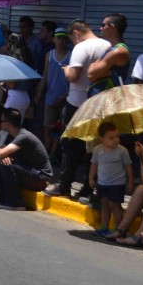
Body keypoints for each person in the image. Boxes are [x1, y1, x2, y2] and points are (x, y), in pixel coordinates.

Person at [44, 20, 111, 202]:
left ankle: (64, 186)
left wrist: (66, 70)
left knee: (70, 146)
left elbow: (73, 77)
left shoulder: (81, 48)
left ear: (75, 33)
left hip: (77, 103)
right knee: (93, 147)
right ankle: (87, 189)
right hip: (98, 103)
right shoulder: (106, 45)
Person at [0, 107, 53, 210]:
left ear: (7, 124)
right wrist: (3, 154)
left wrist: (2, 154)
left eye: (2, 120)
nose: (0, 122)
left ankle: (15, 203)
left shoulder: (23, 136)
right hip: (28, 171)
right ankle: (3, 197)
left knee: (5, 164)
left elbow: (0, 152)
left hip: (40, 178)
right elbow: (1, 151)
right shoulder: (11, 135)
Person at [88, 122, 133, 237]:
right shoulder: (97, 150)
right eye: (111, 138)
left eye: (117, 137)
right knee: (104, 205)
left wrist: (130, 182)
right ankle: (104, 227)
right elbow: (94, 164)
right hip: (102, 183)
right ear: (102, 139)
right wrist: (91, 177)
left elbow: (128, 167)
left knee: (115, 206)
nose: (116, 140)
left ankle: (119, 229)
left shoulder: (122, 151)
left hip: (117, 184)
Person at [35, 27, 71, 155]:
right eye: (58, 38)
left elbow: (73, 79)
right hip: (50, 96)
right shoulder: (49, 55)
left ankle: (56, 154)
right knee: (48, 126)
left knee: (63, 127)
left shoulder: (71, 55)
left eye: (63, 38)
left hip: (66, 98)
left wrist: (65, 96)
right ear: (53, 39)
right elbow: (45, 75)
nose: (60, 41)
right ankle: (46, 151)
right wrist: (40, 92)